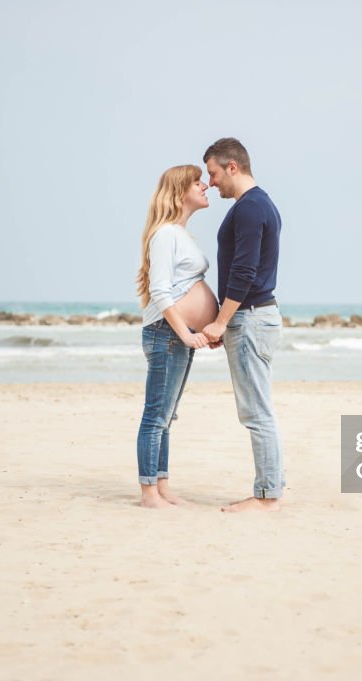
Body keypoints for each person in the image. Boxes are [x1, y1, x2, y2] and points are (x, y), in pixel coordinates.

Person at [200, 138, 285, 512]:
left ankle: (267, 497)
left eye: (214, 173)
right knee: (259, 408)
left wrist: (220, 322)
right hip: (254, 317)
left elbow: (244, 271)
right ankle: (273, 486)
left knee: (256, 411)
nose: (211, 182)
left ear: (232, 167)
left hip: (250, 318)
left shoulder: (251, 208)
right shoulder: (257, 204)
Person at [135, 165, 219, 509]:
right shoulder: (166, 234)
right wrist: (186, 333)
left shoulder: (180, 235)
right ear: (179, 190)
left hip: (177, 336)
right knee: (156, 415)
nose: (205, 186)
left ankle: (163, 485)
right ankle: (148, 493)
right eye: (197, 182)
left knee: (167, 416)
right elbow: (160, 292)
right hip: (166, 334)